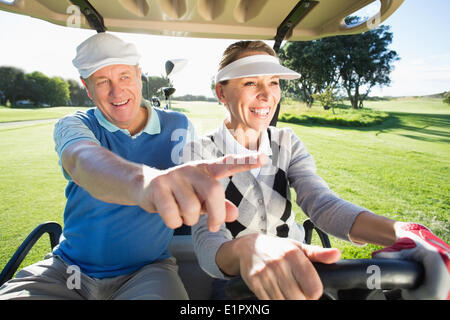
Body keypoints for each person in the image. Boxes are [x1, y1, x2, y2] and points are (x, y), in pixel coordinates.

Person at [0, 33, 266, 300]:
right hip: (68, 268)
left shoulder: (179, 126)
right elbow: (82, 160)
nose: (117, 92)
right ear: (87, 87)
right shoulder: (74, 124)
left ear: (140, 75)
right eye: (103, 81)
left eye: (125, 76)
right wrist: (147, 184)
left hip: (147, 271)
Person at [182, 40, 450, 300]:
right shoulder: (199, 153)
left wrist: (404, 231)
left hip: (303, 268)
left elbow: (322, 204)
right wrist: (248, 251)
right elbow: (208, 241)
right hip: (237, 281)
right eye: (251, 82)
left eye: (273, 82)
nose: (267, 95)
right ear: (221, 92)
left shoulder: (286, 142)